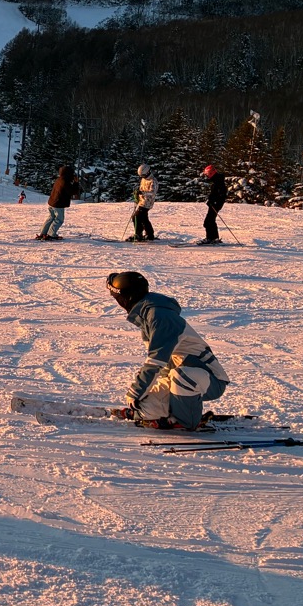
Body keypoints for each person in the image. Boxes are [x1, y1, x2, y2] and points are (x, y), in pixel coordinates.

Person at [106, 271, 230, 429]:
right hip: (179, 378)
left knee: (182, 375)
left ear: (126, 298)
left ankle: (186, 421)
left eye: (117, 298)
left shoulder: (161, 318)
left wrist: (136, 391)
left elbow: (155, 362)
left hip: (209, 379)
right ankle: (171, 413)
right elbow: (164, 365)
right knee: (147, 407)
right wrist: (146, 401)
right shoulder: (148, 315)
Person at [38, 164, 80, 240]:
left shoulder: (59, 179)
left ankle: (43, 233)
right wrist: (76, 183)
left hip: (52, 202)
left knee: (51, 218)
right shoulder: (65, 182)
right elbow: (72, 192)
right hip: (58, 204)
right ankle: (51, 234)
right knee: (59, 219)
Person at [128, 164, 157, 241]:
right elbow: (141, 189)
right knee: (144, 218)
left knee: (136, 217)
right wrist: (137, 195)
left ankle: (138, 234)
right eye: (141, 176)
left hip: (147, 203)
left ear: (148, 172)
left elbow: (152, 192)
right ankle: (149, 234)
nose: (143, 177)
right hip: (142, 201)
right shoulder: (144, 179)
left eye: (144, 175)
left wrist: (142, 193)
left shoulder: (153, 181)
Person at [201, 164, 226, 243]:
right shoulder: (216, 180)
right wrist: (210, 200)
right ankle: (214, 238)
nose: (207, 176)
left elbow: (221, 193)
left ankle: (211, 238)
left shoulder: (218, 181)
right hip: (214, 203)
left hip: (216, 204)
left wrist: (214, 201)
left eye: (207, 174)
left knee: (208, 221)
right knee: (210, 220)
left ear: (211, 173)